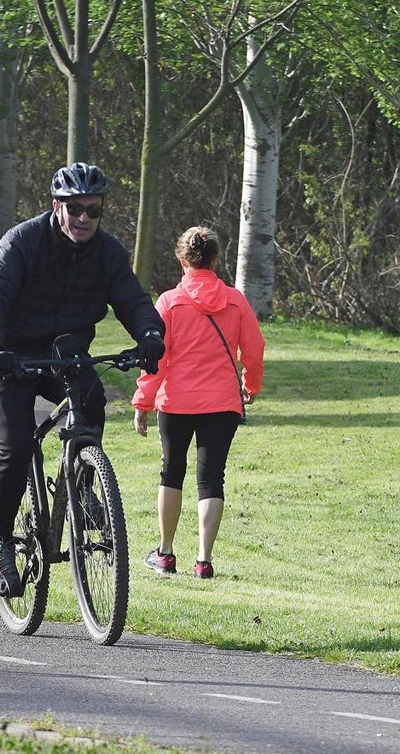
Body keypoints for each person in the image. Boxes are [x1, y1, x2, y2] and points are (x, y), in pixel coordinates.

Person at [0, 162, 166, 597]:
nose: (83, 218)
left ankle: (81, 483)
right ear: (57, 206)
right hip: (7, 356)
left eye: (93, 210)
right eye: (74, 208)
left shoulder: (107, 253)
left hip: (62, 353)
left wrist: (151, 334)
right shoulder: (22, 242)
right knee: (16, 445)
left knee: (93, 401)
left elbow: (133, 301)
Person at [133, 226, 264, 579]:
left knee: (171, 473)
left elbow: (155, 359)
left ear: (181, 260)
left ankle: (166, 553)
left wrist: (143, 401)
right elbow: (254, 349)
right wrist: (250, 384)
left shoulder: (170, 302)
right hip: (222, 403)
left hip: (176, 402)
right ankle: (204, 560)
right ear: (216, 259)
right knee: (211, 479)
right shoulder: (236, 301)